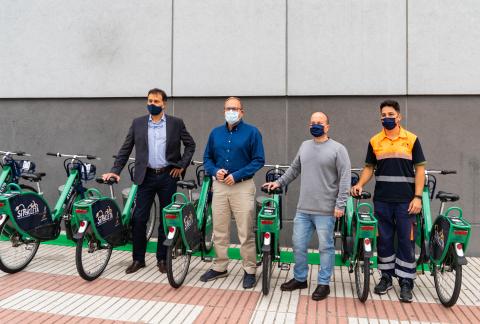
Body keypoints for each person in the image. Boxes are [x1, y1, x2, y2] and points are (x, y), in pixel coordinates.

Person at [102, 88, 195, 274]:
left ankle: (162, 258)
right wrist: (115, 171)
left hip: (168, 176)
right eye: (149, 101)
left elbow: (190, 145)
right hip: (145, 177)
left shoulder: (176, 124)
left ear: (164, 104)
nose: (152, 104)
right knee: (138, 218)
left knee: (166, 218)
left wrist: (182, 165)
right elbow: (125, 149)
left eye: (156, 101)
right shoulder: (138, 123)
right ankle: (138, 259)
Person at [264, 112, 351, 301]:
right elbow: (294, 169)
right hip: (303, 209)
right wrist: (278, 183)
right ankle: (300, 278)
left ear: (327, 126)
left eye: (320, 122)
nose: (316, 125)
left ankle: (323, 284)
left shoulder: (338, 149)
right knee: (298, 245)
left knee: (325, 248)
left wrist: (340, 205)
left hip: (326, 210)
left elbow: (345, 179)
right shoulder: (305, 146)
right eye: (313, 122)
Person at [351, 100, 426, 303]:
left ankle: (406, 282)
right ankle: (385, 277)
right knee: (383, 240)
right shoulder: (375, 141)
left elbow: (420, 170)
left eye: (391, 114)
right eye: (383, 114)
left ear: (399, 117)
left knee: (405, 241)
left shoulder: (411, 139)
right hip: (382, 200)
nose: (387, 117)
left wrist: (417, 197)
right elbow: (369, 168)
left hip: (406, 202)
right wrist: (360, 184)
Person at [200, 97, 265, 289]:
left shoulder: (252, 132)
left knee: (245, 231)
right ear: (223, 111)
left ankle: (250, 270)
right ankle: (220, 267)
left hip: (242, 186)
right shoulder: (215, 133)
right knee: (220, 229)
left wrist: (237, 175)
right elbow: (207, 158)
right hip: (219, 186)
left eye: (235, 108)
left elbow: (259, 160)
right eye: (228, 108)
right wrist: (214, 171)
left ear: (242, 112)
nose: (231, 111)